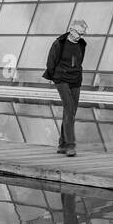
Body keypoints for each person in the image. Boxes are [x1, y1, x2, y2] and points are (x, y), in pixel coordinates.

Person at [42, 19, 87, 156]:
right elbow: (50, 63)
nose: (80, 36)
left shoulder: (82, 44)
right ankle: (70, 145)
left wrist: (77, 73)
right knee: (69, 109)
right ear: (71, 30)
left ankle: (62, 144)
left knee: (71, 112)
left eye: (83, 34)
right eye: (79, 33)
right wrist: (57, 77)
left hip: (75, 80)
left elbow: (79, 61)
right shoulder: (59, 43)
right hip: (61, 79)